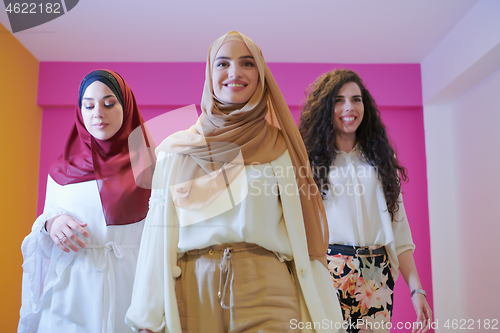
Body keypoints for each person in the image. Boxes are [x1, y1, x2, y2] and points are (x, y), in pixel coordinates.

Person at [125, 31, 344, 333]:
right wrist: (146, 316)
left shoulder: (281, 148)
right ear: (209, 73)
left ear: (261, 75)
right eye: (223, 64)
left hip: (269, 287)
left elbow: (302, 233)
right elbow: (157, 236)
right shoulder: (176, 149)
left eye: (247, 63)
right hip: (192, 289)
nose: (235, 73)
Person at [18, 69, 156, 333]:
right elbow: (45, 228)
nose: (98, 114)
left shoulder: (151, 168)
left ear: (126, 107)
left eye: (109, 103)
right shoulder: (61, 172)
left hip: (131, 286)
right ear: (80, 111)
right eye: (89, 105)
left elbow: (165, 237)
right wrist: (52, 224)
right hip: (72, 291)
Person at [299, 69, 432, 333]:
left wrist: (416, 289)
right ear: (326, 107)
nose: (349, 107)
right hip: (329, 270)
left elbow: (399, 229)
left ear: (365, 105)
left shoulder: (380, 159)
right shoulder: (309, 161)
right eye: (339, 100)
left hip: (376, 272)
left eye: (356, 99)